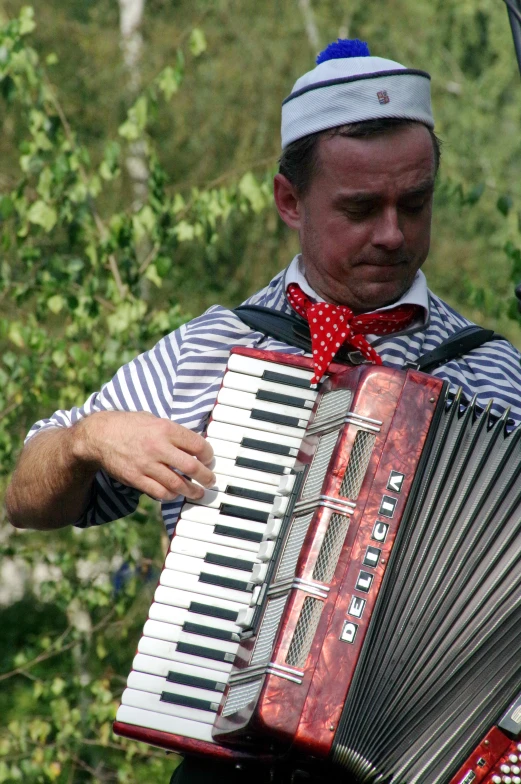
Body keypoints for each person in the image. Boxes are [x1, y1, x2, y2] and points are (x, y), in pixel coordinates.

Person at [6, 38, 521, 784]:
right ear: (288, 200)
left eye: (414, 204)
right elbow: (25, 498)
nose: (391, 233)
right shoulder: (211, 350)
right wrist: (86, 439)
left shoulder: (491, 374)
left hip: (433, 761)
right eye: (358, 208)